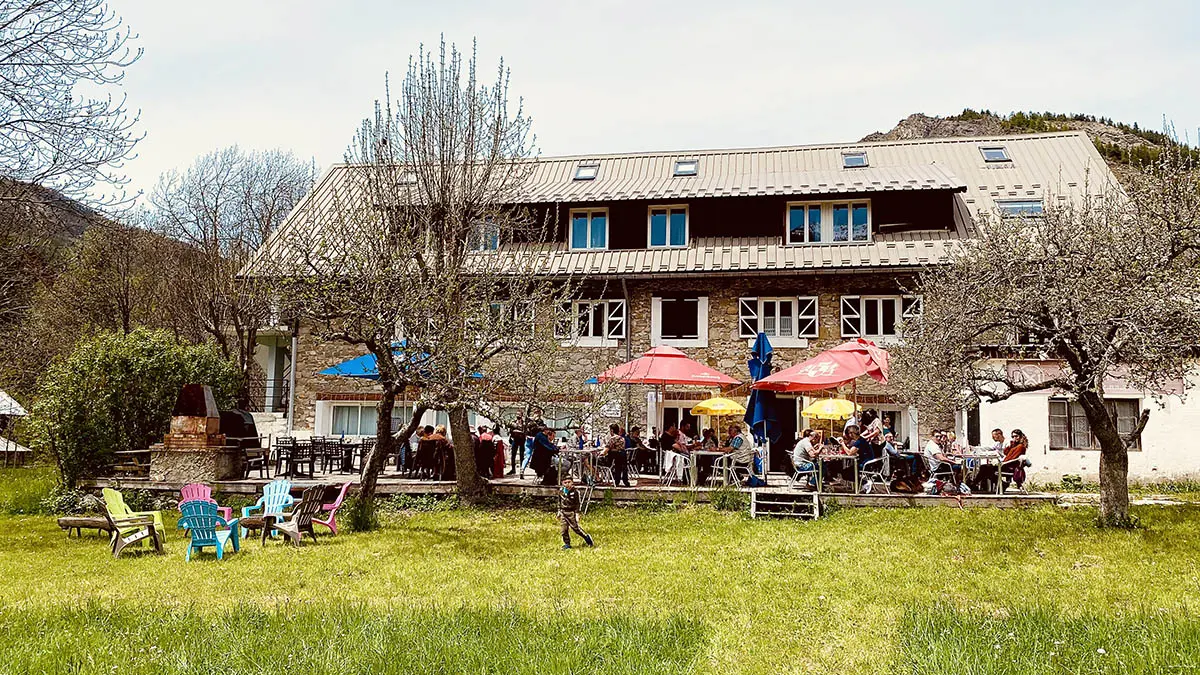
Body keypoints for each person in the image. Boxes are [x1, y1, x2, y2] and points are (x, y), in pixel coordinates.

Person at [557, 476, 593, 550]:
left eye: (569, 482)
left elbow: (577, 504)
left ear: (572, 482)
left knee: (576, 528)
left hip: (571, 512)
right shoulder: (561, 491)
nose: (567, 484)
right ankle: (567, 543)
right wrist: (559, 511)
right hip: (563, 512)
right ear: (562, 483)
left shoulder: (575, 492)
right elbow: (559, 502)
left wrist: (577, 513)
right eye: (565, 482)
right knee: (564, 530)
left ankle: (586, 537)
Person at [603, 423, 631, 487]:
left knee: (617, 466)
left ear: (612, 430)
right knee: (621, 466)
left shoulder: (612, 439)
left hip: (614, 458)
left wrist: (601, 453)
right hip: (622, 456)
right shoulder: (622, 439)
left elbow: (606, 449)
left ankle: (616, 481)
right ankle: (625, 481)